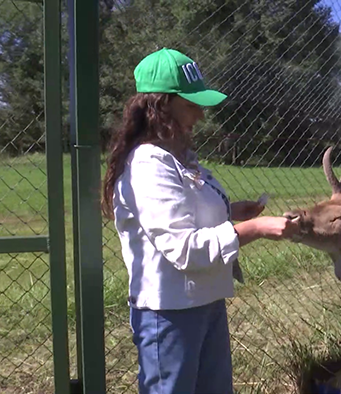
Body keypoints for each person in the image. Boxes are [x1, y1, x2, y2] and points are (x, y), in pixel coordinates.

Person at [100, 48, 299, 394]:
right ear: (160, 106)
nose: (201, 115)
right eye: (192, 105)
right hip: (170, 312)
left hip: (205, 301)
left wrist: (230, 212)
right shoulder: (148, 165)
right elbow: (183, 248)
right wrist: (255, 229)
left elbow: (185, 214)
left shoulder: (179, 159)